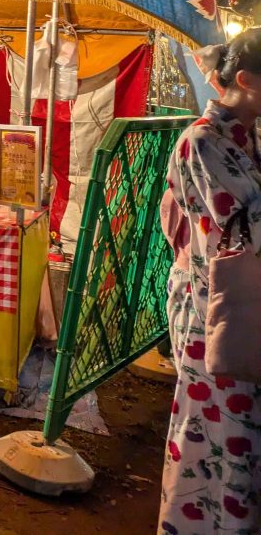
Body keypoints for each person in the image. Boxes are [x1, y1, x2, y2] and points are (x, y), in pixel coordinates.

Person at [158, 31, 261, 532]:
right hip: (214, 313)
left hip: (239, 307)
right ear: (245, 81)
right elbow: (250, 226)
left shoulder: (247, 134)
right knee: (217, 433)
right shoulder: (203, 141)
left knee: (237, 434)